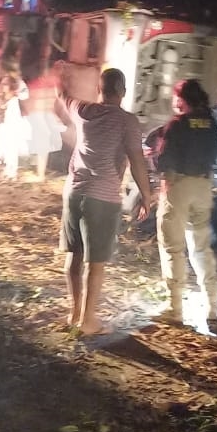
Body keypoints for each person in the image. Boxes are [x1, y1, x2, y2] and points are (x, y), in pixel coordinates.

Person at [56, 67, 152, 336]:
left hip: (74, 191)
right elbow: (136, 159)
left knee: (74, 257)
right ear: (123, 92)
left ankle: (74, 313)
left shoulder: (83, 110)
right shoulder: (127, 121)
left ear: (100, 89)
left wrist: (60, 75)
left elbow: (63, 95)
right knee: (95, 262)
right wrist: (146, 195)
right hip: (103, 196)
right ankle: (88, 321)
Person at [153, 79, 217, 324]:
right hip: (203, 187)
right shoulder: (211, 123)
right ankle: (212, 306)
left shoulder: (177, 125)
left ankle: (175, 309)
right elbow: (216, 155)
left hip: (179, 188)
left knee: (173, 248)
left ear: (181, 99)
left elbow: (163, 161)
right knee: (201, 247)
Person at [0, 62, 29, 180]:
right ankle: (5, 169)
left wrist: (15, 89)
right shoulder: (4, 80)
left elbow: (25, 95)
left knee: (12, 146)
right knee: (3, 144)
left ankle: (11, 172)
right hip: (4, 118)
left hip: (13, 119)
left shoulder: (17, 84)